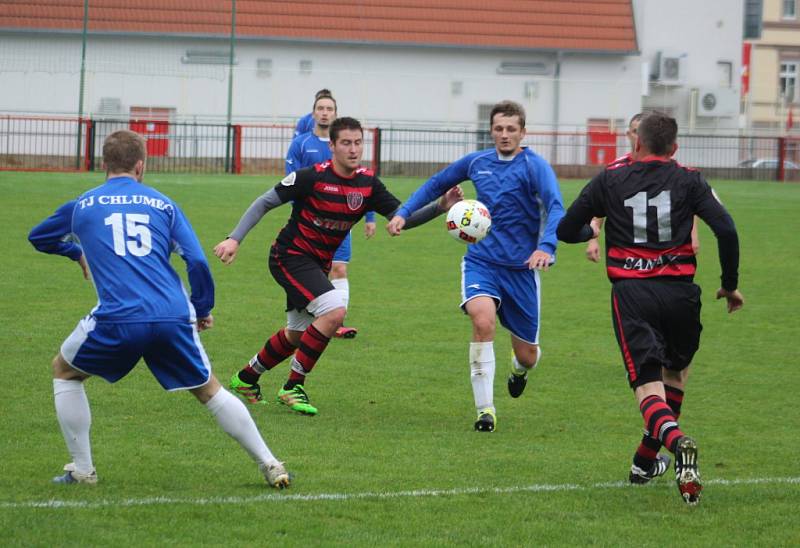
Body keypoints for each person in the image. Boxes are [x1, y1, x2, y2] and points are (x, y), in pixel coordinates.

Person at [28, 130, 290, 488]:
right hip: (171, 313)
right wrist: (201, 308)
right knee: (209, 390)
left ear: (105, 165)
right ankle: (270, 463)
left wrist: (76, 252)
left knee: (65, 371)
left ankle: (83, 470)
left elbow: (39, 237)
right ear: (141, 165)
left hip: (117, 316)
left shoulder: (82, 205)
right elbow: (196, 260)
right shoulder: (163, 204)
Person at [556, 112, 744, 505]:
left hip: (633, 294)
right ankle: (644, 462)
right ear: (675, 148)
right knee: (675, 375)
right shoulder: (690, 178)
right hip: (681, 294)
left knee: (647, 386)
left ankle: (677, 444)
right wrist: (729, 284)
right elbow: (725, 229)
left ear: (637, 143)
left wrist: (591, 231)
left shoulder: (610, 178)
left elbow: (564, 230)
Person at [215, 117, 462, 415]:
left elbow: (402, 218)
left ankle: (246, 378)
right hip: (289, 256)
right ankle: (293, 386)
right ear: (331, 146)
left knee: (298, 334)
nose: (353, 149)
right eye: (346, 142)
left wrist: (440, 206)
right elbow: (264, 202)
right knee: (334, 311)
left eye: (358, 142)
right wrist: (234, 239)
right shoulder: (312, 177)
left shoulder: (368, 184)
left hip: (317, 264)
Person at [387, 100, 565, 433]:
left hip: (522, 270)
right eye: (498, 128)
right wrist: (403, 212)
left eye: (511, 129)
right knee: (482, 322)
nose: (504, 134)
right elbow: (437, 183)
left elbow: (556, 207)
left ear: (523, 132)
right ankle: (485, 410)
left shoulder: (535, 166)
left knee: (528, 355)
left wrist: (546, 247)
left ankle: (519, 370)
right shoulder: (477, 162)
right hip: (482, 263)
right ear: (491, 131)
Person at [287, 92, 376, 339]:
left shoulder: (346, 146)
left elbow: (361, 184)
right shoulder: (301, 144)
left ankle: (336, 322)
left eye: (329, 108)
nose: (325, 112)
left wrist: (369, 218)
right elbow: (290, 182)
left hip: (340, 222)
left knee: (339, 269)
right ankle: (315, 318)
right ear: (313, 112)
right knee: (313, 272)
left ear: (335, 114)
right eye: (320, 108)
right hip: (308, 226)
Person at [586, 113, 700, 263]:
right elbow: (600, 204)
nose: (640, 137)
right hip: (629, 256)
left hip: (667, 251)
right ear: (628, 135)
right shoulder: (614, 172)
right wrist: (593, 239)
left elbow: (690, 201)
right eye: (635, 132)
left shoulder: (673, 171)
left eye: (643, 132)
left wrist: (693, 233)